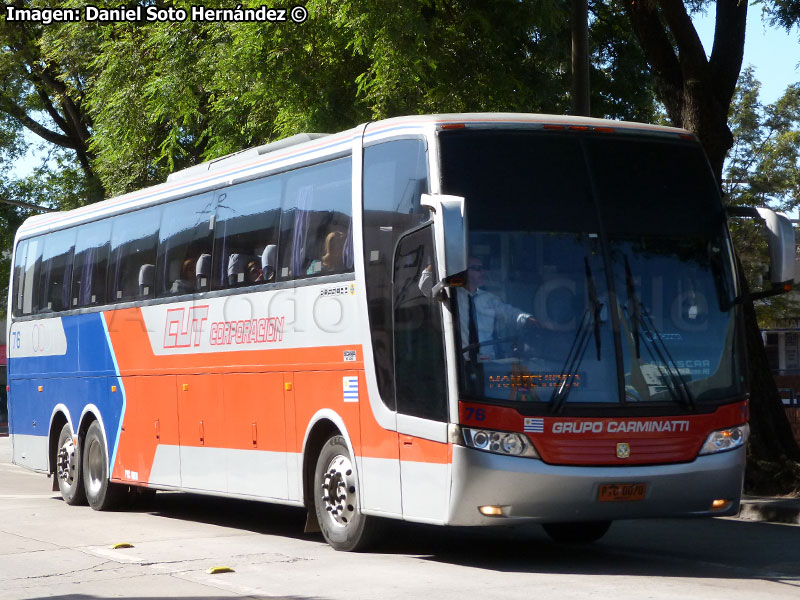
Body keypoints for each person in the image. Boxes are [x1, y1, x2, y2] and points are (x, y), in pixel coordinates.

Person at [458, 256, 538, 362]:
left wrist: (528, 319)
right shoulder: (453, 298)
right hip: (460, 361)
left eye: (483, 268)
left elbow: (509, 313)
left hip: (487, 361)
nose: (483, 272)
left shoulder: (489, 298)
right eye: (477, 268)